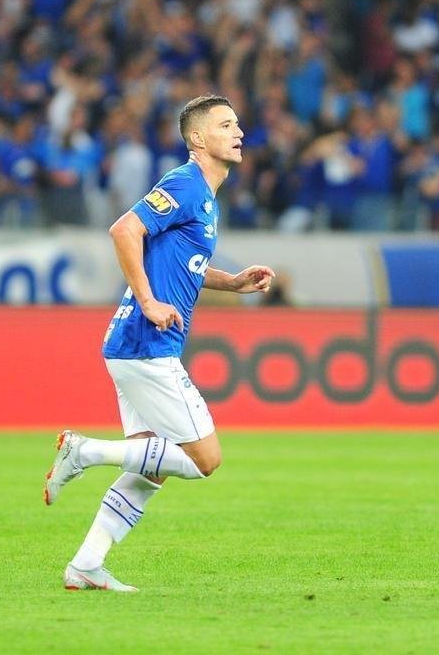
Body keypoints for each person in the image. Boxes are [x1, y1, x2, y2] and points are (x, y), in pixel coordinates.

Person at [43, 95, 275, 592]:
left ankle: (85, 565)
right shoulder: (185, 184)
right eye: (225, 124)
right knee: (203, 460)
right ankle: (83, 452)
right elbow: (125, 229)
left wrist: (231, 284)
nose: (238, 132)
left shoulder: (206, 199)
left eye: (238, 123)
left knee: (151, 468)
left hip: (134, 345)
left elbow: (182, 264)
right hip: (148, 343)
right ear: (197, 139)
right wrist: (148, 301)